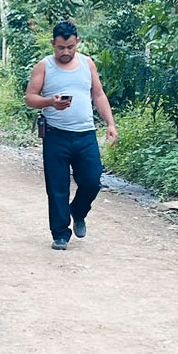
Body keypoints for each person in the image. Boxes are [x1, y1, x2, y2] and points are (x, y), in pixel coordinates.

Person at [24, 21, 119, 251]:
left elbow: (98, 94)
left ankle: (78, 211)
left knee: (92, 180)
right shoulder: (43, 67)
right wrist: (50, 103)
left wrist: (110, 123)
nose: (65, 52)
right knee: (57, 186)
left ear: (77, 42)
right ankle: (60, 234)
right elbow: (30, 98)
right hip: (56, 136)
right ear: (52, 45)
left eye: (69, 47)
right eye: (60, 48)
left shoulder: (87, 64)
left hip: (85, 135)